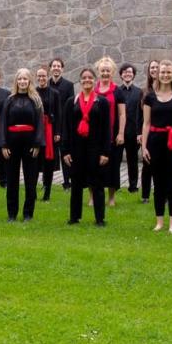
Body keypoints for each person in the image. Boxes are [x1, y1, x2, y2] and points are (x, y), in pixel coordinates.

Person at [141, 61, 172, 233]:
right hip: (155, 143)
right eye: (163, 72)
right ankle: (159, 221)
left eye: (169, 72)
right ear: (157, 74)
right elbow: (146, 123)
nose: (165, 75)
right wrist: (144, 147)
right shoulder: (150, 97)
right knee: (158, 183)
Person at [63, 67, 112, 226]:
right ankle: (74, 217)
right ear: (80, 81)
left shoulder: (102, 102)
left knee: (97, 184)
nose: (87, 80)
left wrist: (105, 152)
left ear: (94, 80)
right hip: (76, 148)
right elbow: (67, 128)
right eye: (84, 78)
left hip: (95, 148)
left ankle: (99, 218)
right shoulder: (72, 102)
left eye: (90, 78)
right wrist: (66, 151)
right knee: (76, 183)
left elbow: (107, 128)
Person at [0, 68, 45, 222]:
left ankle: (28, 214)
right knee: (12, 180)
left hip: (30, 144)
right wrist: (3, 144)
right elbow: (3, 122)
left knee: (30, 180)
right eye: (20, 79)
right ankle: (12, 213)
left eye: (25, 79)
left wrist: (37, 143)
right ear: (16, 81)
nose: (22, 82)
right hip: (12, 144)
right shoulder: (9, 101)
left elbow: (39, 123)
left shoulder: (36, 101)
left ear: (29, 81)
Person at [94, 56, 126, 206]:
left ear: (112, 72)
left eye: (107, 70)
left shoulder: (118, 91)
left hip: (112, 135)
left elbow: (122, 114)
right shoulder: (93, 89)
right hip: (95, 136)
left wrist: (120, 133)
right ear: (98, 72)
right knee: (94, 166)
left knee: (113, 167)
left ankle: (111, 198)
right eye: (102, 71)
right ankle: (92, 197)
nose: (105, 73)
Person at [35, 66, 61, 201]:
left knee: (48, 162)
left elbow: (58, 113)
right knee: (34, 160)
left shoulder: (54, 93)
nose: (41, 78)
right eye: (39, 76)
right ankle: (32, 191)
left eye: (44, 76)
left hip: (50, 130)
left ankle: (47, 193)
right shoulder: (32, 92)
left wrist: (57, 132)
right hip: (36, 130)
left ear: (48, 76)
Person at [48, 58, 75, 189]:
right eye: (54, 66)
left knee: (65, 153)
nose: (56, 68)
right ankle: (47, 182)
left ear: (62, 69)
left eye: (59, 66)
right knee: (49, 154)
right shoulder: (46, 85)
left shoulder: (69, 85)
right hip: (49, 126)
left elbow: (71, 105)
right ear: (50, 68)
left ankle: (67, 182)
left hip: (65, 124)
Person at [119, 63, 143, 194]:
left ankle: (133, 186)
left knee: (132, 160)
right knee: (116, 160)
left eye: (129, 72)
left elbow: (141, 114)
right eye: (124, 72)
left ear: (133, 75)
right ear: (121, 75)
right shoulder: (116, 91)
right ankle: (115, 184)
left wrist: (140, 132)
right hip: (119, 132)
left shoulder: (139, 92)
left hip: (133, 132)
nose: (127, 74)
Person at [140, 59, 160, 203]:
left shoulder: (168, 90)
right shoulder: (144, 92)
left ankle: (162, 193)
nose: (154, 70)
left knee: (163, 166)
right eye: (152, 68)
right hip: (148, 130)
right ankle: (145, 195)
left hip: (162, 131)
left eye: (157, 67)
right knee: (147, 165)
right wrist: (139, 133)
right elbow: (138, 114)